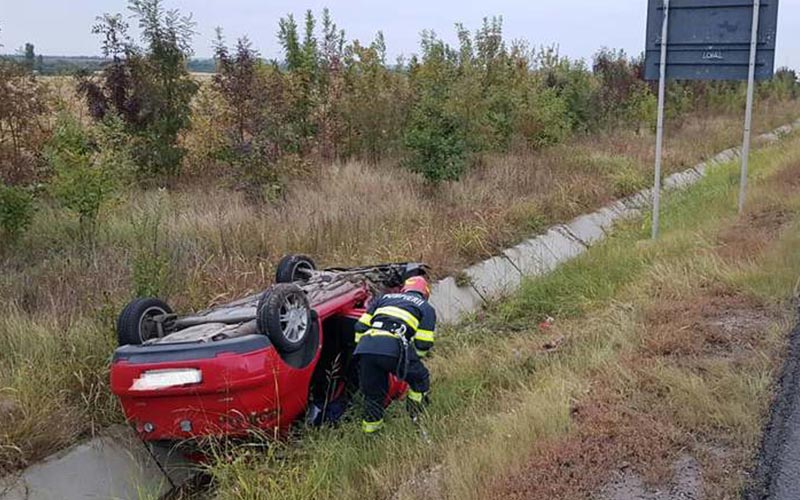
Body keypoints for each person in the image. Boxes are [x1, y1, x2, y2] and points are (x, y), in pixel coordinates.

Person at [353, 276, 436, 434]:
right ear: (425, 293)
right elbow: (423, 343)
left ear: (404, 289)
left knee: (373, 395)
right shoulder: (425, 307)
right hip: (393, 346)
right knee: (420, 378)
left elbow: (360, 326)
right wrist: (413, 359)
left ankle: (371, 433)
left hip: (366, 348)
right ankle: (416, 417)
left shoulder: (383, 298)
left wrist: (363, 349)